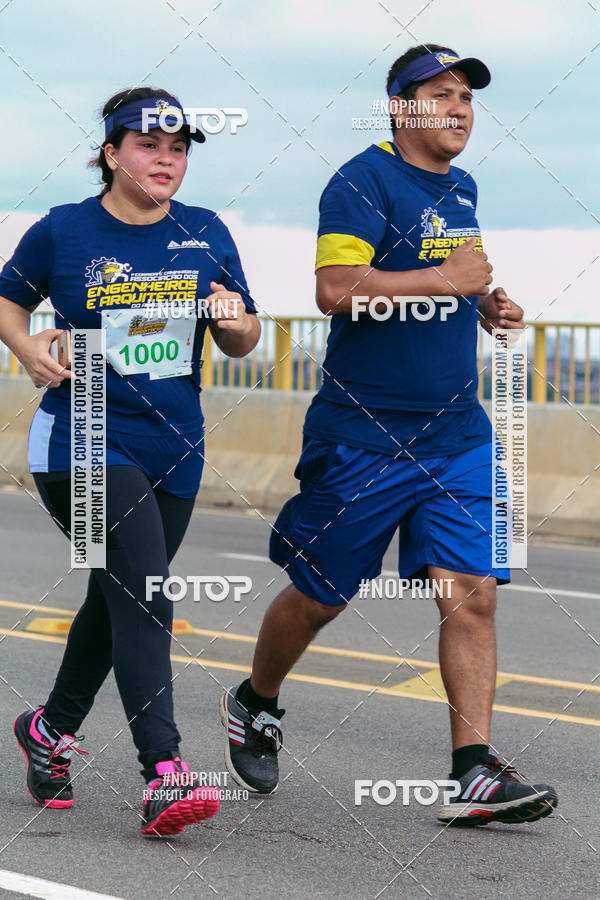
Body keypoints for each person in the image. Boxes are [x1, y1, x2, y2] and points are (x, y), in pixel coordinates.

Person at [219, 45, 558, 827]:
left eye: (467, 98)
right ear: (402, 107)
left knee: (471, 597)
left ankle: (472, 771)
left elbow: (451, 275)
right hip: (364, 437)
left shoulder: (462, 186)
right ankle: (255, 698)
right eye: (443, 95)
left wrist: (487, 305)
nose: (461, 110)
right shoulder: (359, 181)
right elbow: (336, 291)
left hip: (458, 435)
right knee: (319, 598)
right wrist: (452, 282)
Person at [0, 86, 260, 836]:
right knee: (146, 590)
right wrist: (27, 350)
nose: (166, 159)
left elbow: (242, 336)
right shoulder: (64, 231)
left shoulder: (206, 231)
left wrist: (234, 321)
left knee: (118, 601)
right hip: (79, 437)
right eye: (149, 145)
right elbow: (8, 300)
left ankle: (49, 732)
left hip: (174, 446)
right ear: (111, 153)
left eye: (178, 148)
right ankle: (165, 773)